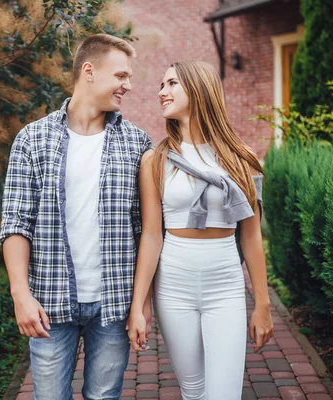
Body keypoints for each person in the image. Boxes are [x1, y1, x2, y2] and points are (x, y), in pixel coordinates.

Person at [0, 34, 152, 400]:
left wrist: (141, 305)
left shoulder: (138, 143)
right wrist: (20, 293)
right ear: (88, 71)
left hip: (113, 305)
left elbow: (146, 229)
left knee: (103, 396)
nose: (127, 86)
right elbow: (16, 222)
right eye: (120, 76)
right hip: (50, 302)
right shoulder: (32, 139)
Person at [127, 61, 274, 399]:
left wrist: (262, 304)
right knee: (193, 390)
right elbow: (151, 235)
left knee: (224, 394)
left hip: (225, 286)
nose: (162, 91)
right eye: (161, 85)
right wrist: (139, 305)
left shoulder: (242, 158)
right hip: (173, 285)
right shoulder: (156, 159)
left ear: (199, 88)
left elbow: (251, 236)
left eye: (172, 83)